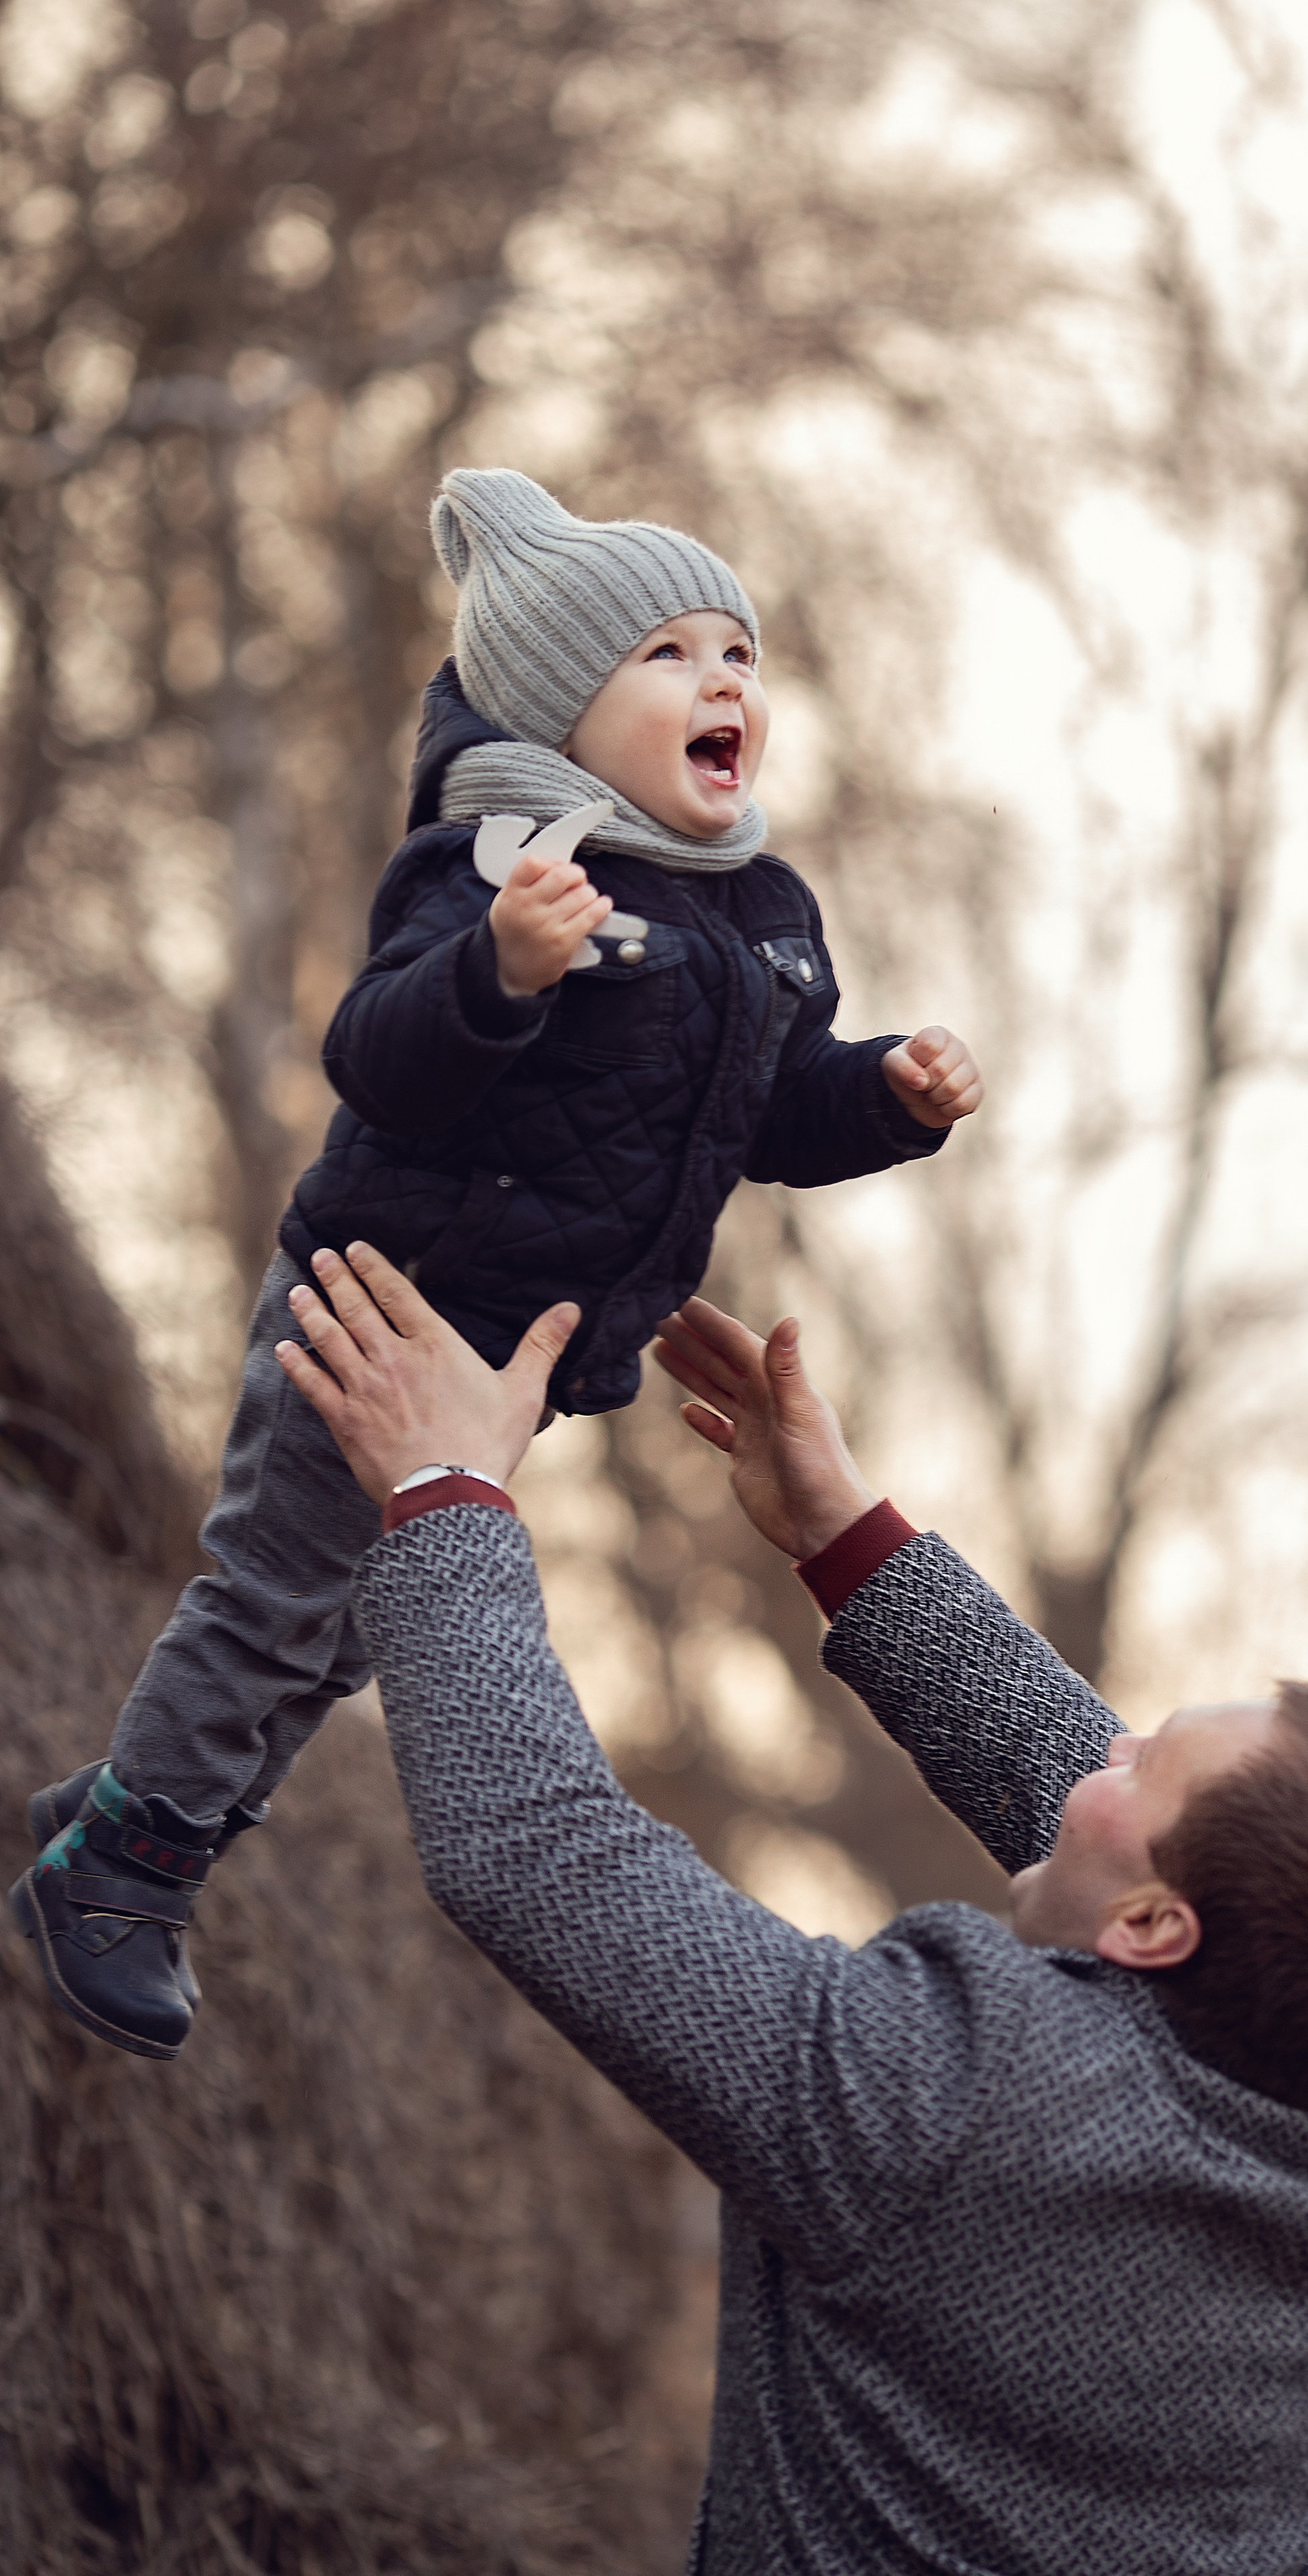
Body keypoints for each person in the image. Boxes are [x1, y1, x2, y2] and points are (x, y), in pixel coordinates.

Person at [251, 1241, 1308, 2576]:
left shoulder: (943, 2100)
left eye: (1141, 1763)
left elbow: (541, 1856)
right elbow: (1078, 1786)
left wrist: (442, 1492)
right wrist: (847, 1538)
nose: (1099, 1756)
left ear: (1152, 1931)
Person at [11, 468, 982, 2062]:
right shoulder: (500, 865)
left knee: (338, 1639)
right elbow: (376, 1059)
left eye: (736, 653)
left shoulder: (761, 910)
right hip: (385, 1311)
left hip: (513, 1367)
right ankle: (123, 1868)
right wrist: (501, 971)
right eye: (666, 655)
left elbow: (768, 1115)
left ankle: (128, 1819)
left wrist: (882, 1095)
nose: (721, 679)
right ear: (558, 706)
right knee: (275, 1602)